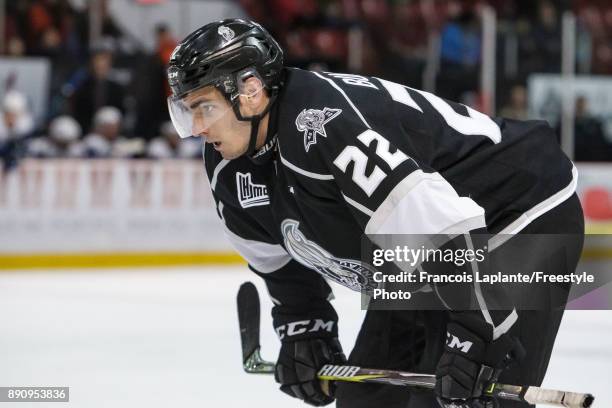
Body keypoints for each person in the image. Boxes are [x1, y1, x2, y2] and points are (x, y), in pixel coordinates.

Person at [166, 19, 584, 408]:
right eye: (187, 111)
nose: (196, 128)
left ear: (251, 91)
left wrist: (480, 331)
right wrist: (304, 325)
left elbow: (440, 227)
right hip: (424, 248)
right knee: (367, 401)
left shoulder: (326, 126)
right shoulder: (228, 165)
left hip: (519, 208)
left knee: (472, 391)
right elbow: (275, 258)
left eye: (204, 108)